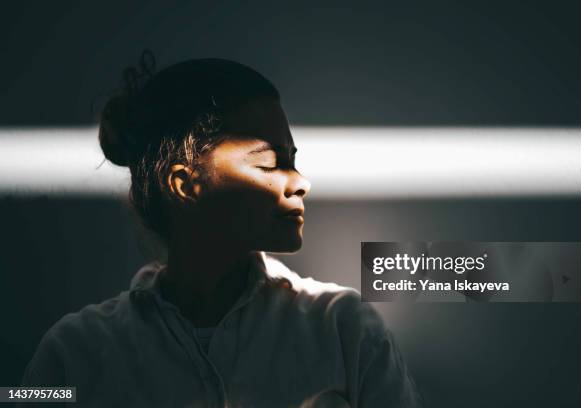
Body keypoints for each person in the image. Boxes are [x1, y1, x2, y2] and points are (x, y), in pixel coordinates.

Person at [21, 51, 422, 407]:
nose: (301, 181)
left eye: (292, 158)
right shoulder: (74, 354)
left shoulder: (344, 328)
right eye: (268, 162)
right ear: (185, 185)